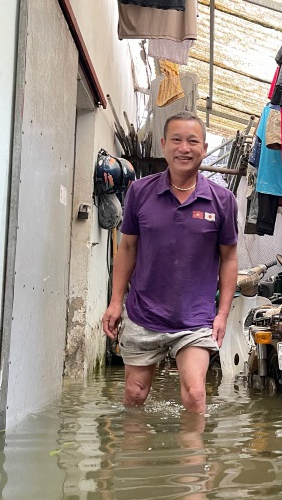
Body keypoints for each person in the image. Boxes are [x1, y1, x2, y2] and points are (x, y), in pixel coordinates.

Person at [102, 111, 238, 413]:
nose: (184, 148)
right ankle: (132, 459)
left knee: (195, 395)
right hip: (143, 313)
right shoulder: (140, 191)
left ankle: (190, 460)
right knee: (135, 394)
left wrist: (223, 313)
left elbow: (229, 258)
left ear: (203, 148)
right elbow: (127, 248)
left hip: (195, 319)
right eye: (176, 140)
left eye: (193, 141)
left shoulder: (223, 200)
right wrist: (115, 302)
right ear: (163, 145)